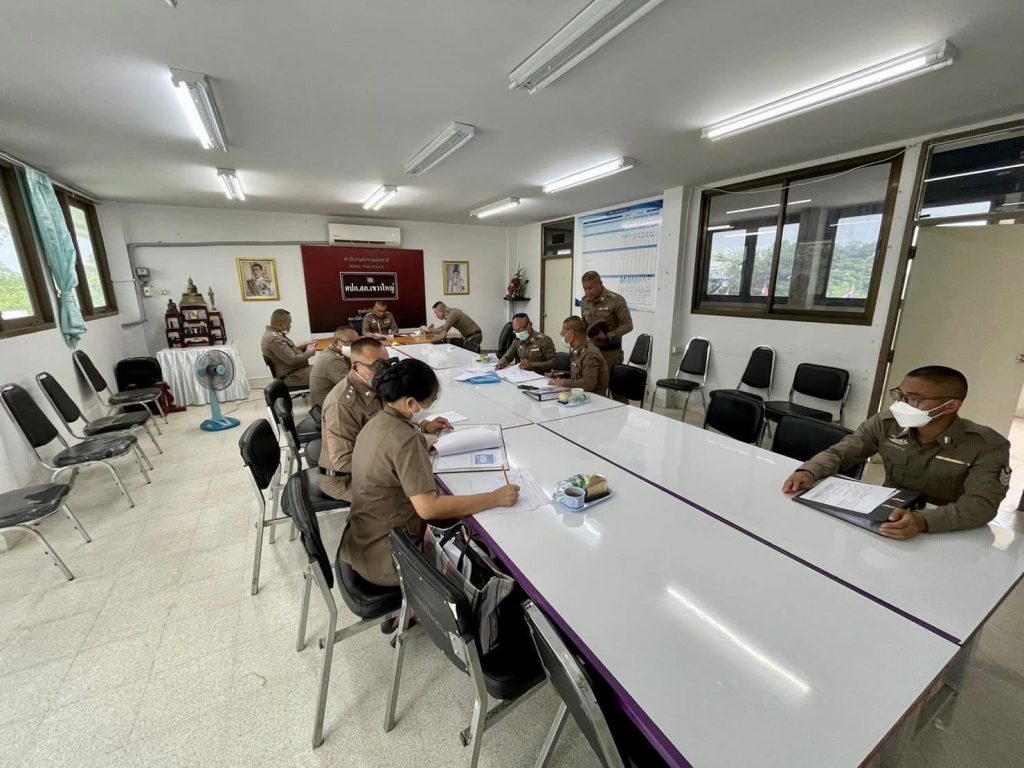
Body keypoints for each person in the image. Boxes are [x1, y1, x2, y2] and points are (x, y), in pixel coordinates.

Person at [340, 358, 520, 587]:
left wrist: (419, 440)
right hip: (390, 557)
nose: (430, 406)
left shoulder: (376, 422)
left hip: (362, 542)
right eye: (431, 401)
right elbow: (428, 508)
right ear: (411, 403)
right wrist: (495, 498)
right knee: (483, 549)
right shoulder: (406, 440)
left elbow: (392, 454)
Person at [782, 366, 1012, 540]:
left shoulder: (986, 445)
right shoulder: (886, 423)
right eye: (899, 395)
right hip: (886, 517)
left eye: (913, 399)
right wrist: (809, 471)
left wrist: (923, 521)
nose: (901, 404)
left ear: (951, 406)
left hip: (947, 529)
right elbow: (842, 452)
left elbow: (981, 505)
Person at [319, 339, 454, 502]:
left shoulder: (377, 386)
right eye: (376, 366)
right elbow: (343, 461)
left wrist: (424, 426)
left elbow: (391, 421)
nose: (385, 372)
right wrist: (406, 451)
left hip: (374, 469)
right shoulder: (341, 404)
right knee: (424, 496)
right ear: (356, 367)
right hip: (347, 480)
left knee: (426, 484)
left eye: (387, 364)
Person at [580, 271, 633, 372]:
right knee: (590, 380)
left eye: (590, 288)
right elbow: (585, 325)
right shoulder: (584, 301)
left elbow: (628, 325)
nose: (587, 292)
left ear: (600, 284)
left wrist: (608, 336)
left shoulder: (616, 300)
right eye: (585, 288)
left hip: (610, 354)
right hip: (591, 352)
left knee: (607, 381)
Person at [546, 316, 609, 394]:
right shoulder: (577, 350)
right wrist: (559, 374)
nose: (563, 336)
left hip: (593, 398)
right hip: (579, 394)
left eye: (563, 333)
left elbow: (588, 384)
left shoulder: (590, 354)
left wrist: (563, 382)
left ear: (572, 332)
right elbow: (578, 375)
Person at [260, 309, 315, 387]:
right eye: (289, 323)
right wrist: (310, 352)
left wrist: (299, 348)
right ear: (280, 324)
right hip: (292, 377)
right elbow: (293, 359)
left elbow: (286, 352)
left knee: (325, 367)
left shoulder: (273, 335)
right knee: (326, 371)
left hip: (295, 371)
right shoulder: (274, 339)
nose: (290, 326)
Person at [308, 326, 360, 408]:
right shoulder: (332, 360)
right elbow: (353, 386)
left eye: (357, 343)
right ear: (335, 342)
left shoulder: (334, 351)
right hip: (328, 409)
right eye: (349, 343)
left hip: (333, 402)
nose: (354, 347)